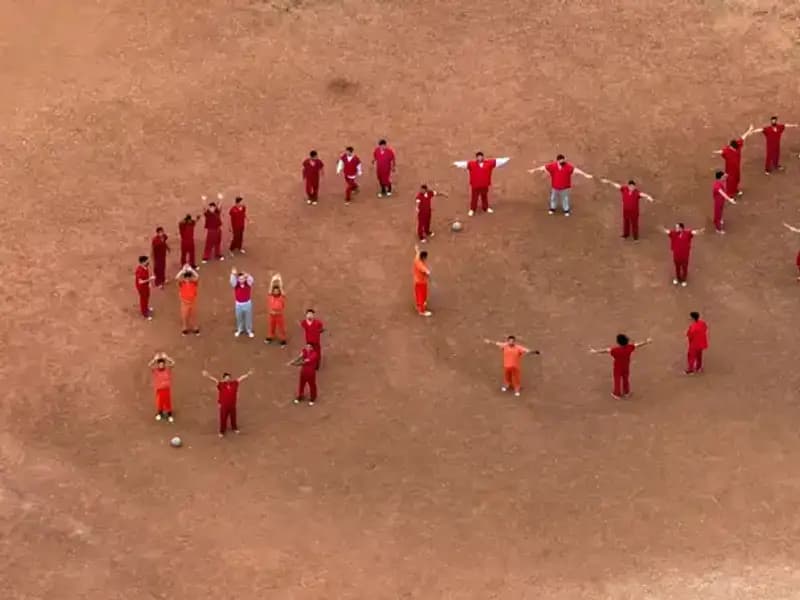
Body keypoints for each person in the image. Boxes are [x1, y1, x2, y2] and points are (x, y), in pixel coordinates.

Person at [528, 154, 594, 216]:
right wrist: (534, 170)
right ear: (558, 160)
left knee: (565, 198)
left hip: (565, 187)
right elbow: (543, 167)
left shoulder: (568, 166)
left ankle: (566, 210)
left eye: (563, 160)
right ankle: (552, 209)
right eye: (561, 160)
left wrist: (585, 175)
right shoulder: (553, 166)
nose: (563, 161)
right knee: (553, 198)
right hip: (555, 187)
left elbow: (576, 170)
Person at [590, 335, 652, 399]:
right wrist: (646, 342)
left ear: (618, 342)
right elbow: (637, 345)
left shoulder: (615, 350)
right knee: (625, 379)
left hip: (617, 367)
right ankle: (626, 392)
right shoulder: (629, 347)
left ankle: (617, 394)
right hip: (626, 366)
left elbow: (606, 351)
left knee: (617, 379)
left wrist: (595, 351)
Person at [452, 152, 510, 216]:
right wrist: (455, 163)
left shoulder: (489, 163)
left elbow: (498, 161)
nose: (479, 158)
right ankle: (472, 209)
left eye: (481, 156)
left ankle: (486, 208)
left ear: (483, 157)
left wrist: (507, 159)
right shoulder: (471, 164)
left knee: (484, 197)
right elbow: (463, 164)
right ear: (476, 157)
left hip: (484, 185)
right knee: (474, 198)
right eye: (478, 157)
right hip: (475, 185)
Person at [201, 369, 254, 438]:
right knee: (223, 419)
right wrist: (208, 375)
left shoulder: (234, 384)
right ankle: (222, 431)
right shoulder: (221, 385)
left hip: (232, 405)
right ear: (223, 379)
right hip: (224, 406)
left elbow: (241, 378)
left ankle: (234, 428)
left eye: (229, 378)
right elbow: (214, 380)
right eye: (226, 378)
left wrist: (248, 374)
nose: (228, 379)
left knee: (233, 417)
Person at [712, 125, 757, 197]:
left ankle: (735, 190)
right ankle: (730, 194)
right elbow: (721, 151)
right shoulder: (728, 150)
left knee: (736, 180)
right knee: (730, 182)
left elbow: (743, 137)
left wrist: (749, 130)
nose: (729, 146)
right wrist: (715, 152)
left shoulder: (734, 148)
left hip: (736, 169)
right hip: (729, 171)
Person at [148, 352, 176, 422]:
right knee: (160, 402)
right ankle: (160, 413)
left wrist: (167, 358)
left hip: (166, 389)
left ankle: (169, 414)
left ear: (164, 365)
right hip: (159, 389)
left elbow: (173, 363)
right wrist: (154, 359)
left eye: (162, 364)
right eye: (160, 364)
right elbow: (149, 365)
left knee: (167, 402)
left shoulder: (167, 370)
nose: (161, 366)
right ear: (158, 365)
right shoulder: (156, 371)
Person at [175, 264, 200, 335]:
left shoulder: (193, 282)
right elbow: (176, 278)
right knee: (184, 315)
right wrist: (182, 271)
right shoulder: (182, 283)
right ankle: (184, 328)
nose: (188, 279)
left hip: (192, 302)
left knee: (193, 315)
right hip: (184, 303)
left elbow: (197, 277)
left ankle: (195, 327)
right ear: (184, 278)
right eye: (186, 277)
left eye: (189, 277)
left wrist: (191, 270)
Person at [230, 268, 255, 338]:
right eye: (240, 279)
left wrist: (248, 275)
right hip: (238, 304)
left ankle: (249, 330)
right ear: (238, 279)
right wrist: (232, 274)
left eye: (243, 279)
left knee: (248, 317)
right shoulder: (236, 284)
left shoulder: (248, 283)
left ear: (245, 279)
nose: (241, 280)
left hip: (247, 303)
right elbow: (232, 282)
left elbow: (251, 280)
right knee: (239, 317)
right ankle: (239, 329)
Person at [265, 273, 287, 346]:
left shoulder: (281, 297)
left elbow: (282, 288)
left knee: (281, 327)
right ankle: (270, 336)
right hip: (272, 315)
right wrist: (272, 280)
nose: (275, 292)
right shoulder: (270, 296)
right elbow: (270, 289)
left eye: (277, 291)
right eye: (274, 291)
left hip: (279, 315)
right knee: (271, 326)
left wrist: (279, 280)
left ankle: (283, 339)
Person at [202, 194, 224, 262]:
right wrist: (204, 201)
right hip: (211, 231)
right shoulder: (207, 213)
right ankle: (206, 257)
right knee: (209, 243)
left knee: (217, 243)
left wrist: (220, 199)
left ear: (214, 208)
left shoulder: (217, 212)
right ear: (209, 208)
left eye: (213, 207)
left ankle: (217, 255)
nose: (212, 209)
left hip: (218, 230)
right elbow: (204, 208)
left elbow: (219, 206)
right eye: (210, 207)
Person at [413, 244, 432, 317]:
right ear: (423, 257)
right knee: (422, 296)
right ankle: (422, 311)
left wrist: (417, 249)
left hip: (416, 281)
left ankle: (418, 306)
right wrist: (428, 274)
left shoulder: (417, 259)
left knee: (418, 294)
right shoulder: (421, 265)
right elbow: (427, 272)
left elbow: (417, 252)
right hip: (421, 282)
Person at [135, 255, 155, 320]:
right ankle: (144, 313)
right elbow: (140, 282)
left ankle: (146, 308)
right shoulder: (139, 270)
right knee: (143, 299)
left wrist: (148, 283)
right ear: (143, 262)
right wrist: (150, 279)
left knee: (147, 297)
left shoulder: (145, 267)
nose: (148, 262)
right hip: (142, 288)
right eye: (147, 261)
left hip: (146, 286)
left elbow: (146, 277)